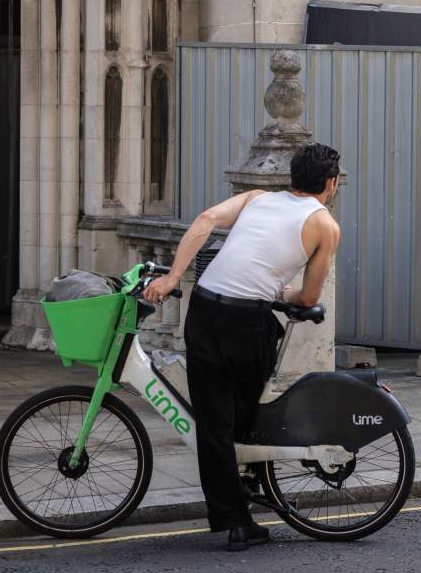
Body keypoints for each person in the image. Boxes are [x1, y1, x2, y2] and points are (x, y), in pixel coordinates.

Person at [143, 143, 342, 551]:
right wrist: (282, 290)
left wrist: (170, 279)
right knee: (244, 410)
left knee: (213, 424)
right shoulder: (325, 226)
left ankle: (235, 517)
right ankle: (249, 481)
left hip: (203, 307)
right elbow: (306, 299)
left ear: (292, 177)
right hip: (246, 321)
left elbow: (203, 221)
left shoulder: (257, 198)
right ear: (331, 183)